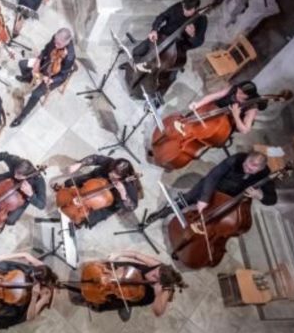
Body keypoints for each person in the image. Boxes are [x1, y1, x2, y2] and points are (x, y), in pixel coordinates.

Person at [147, 151, 278, 225]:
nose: (247, 170)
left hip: (229, 199)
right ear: (246, 159)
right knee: (188, 198)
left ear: (260, 169)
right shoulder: (236, 159)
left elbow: (272, 200)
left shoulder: (264, 174)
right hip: (214, 186)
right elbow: (213, 176)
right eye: (246, 166)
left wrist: (260, 195)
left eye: (251, 170)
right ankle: (163, 212)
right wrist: (204, 198)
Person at [68, 253, 186, 322]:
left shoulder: (160, 290)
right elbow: (136, 255)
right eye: (154, 271)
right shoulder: (160, 267)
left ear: (160, 283)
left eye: (155, 277)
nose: (151, 274)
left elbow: (158, 311)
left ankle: (126, 304)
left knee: (93, 297)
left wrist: (159, 292)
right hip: (122, 274)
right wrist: (118, 254)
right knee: (94, 269)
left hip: (124, 292)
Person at [130, 0, 208, 95]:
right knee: (136, 51)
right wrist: (154, 29)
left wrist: (192, 35)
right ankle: (134, 69)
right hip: (161, 38)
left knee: (169, 77)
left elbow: (199, 42)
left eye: (189, 10)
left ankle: (157, 96)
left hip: (178, 48)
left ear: (196, 9)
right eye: (184, 8)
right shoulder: (179, 6)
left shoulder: (202, 20)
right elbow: (162, 16)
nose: (185, 11)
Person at [11, 28, 76, 126]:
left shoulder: (70, 56)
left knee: (35, 94)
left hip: (53, 76)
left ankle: (22, 116)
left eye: (59, 44)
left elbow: (63, 76)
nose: (55, 44)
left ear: (67, 42)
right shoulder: (55, 38)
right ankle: (29, 78)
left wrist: (51, 80)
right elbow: (46, 49)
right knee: (22, 64)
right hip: (46, 63)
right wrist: (38, 59)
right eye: (55, 41)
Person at [53, 155, 141, 228]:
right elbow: (95, 158)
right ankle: (64, 189)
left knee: (92, 217)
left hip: (108, 200)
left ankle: (79, 222)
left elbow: (132, 207)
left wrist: (122, 193)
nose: (111, 174)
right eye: (111, 170)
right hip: (94, 181)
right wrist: (79, 164)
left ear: (123, 176)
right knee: (71, 182)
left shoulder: (129, 186)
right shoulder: (111, 163)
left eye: (115, 174)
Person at [0, 252, 55, 330]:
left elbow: (30, 317)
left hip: (28, 301)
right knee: (3, 265)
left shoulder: (46, 294)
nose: (32, 276)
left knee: (12, 315)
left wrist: (34, 297)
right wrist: (0, 258)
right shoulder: (43, 270)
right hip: (20, 276)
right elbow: (25, 255)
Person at [0, 153, 47, 226]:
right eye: (15, 172)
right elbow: (2, 155)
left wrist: (31, 194)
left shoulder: (39, 181)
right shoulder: (15, 161)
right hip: (8, 180)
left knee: (10, 221)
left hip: (23, 196)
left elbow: (42, 205)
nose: (15, 176)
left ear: (27, 175)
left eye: (19, 175)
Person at [188, 80, 263, 138]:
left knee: (206, 132)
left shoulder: (251, 107)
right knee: (197, 114)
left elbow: (245, 130)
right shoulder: (234, 88)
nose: (237, 94)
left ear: (248, 96)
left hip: (226, 123)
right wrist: (198, 104)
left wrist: (236, 115)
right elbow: (214, 96)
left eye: (241, 94)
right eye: (237, 91)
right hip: (216, 110)